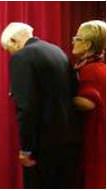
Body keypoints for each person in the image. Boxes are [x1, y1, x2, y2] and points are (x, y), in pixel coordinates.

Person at [0, 22, 80, 188]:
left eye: (9, 49)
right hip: (68, 140)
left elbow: (26, 106)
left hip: (41, 146)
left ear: (14, 41)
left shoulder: (22, 57)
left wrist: (26, 149)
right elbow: (74, 90)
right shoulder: (58, 52)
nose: (10, 54)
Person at [72, 20, 106, 188]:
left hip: (95, 137)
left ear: (87, 44)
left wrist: (57, 97)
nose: (73, 41)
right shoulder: (92, 66)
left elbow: (87, 103)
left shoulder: (92, 70)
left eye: (77, 38)